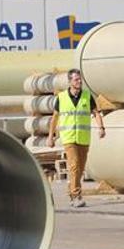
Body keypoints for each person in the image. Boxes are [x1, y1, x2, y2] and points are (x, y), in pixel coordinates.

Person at [47, 68, 105, 208]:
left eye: (80, 79)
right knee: (73, 165)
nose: (79, 82)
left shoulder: (86, 95)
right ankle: (76, 196)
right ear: (70, 82)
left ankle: (72, 191)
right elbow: (55, 118)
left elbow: (96, 113)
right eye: (76, 80)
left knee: (80, 168)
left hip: (83, 138)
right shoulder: (61, 98)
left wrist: (101, 128)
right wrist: (51, 137)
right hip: (69, 138)